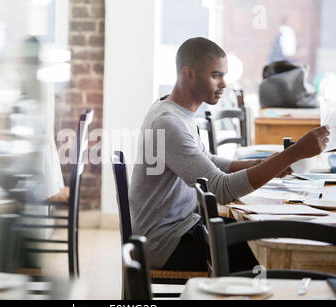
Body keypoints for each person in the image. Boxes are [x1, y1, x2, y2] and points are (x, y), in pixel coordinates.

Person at [129, 37, 330, 272]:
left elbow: (205, 160)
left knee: (263, 234)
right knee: (267, 255)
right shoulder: (168, 123)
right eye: (216, 75)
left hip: (183, 227)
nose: (224, 83)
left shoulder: (173, 111)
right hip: (165, 244)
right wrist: (295, 152)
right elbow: (220, 190)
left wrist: (258, 164)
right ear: (188, 74)